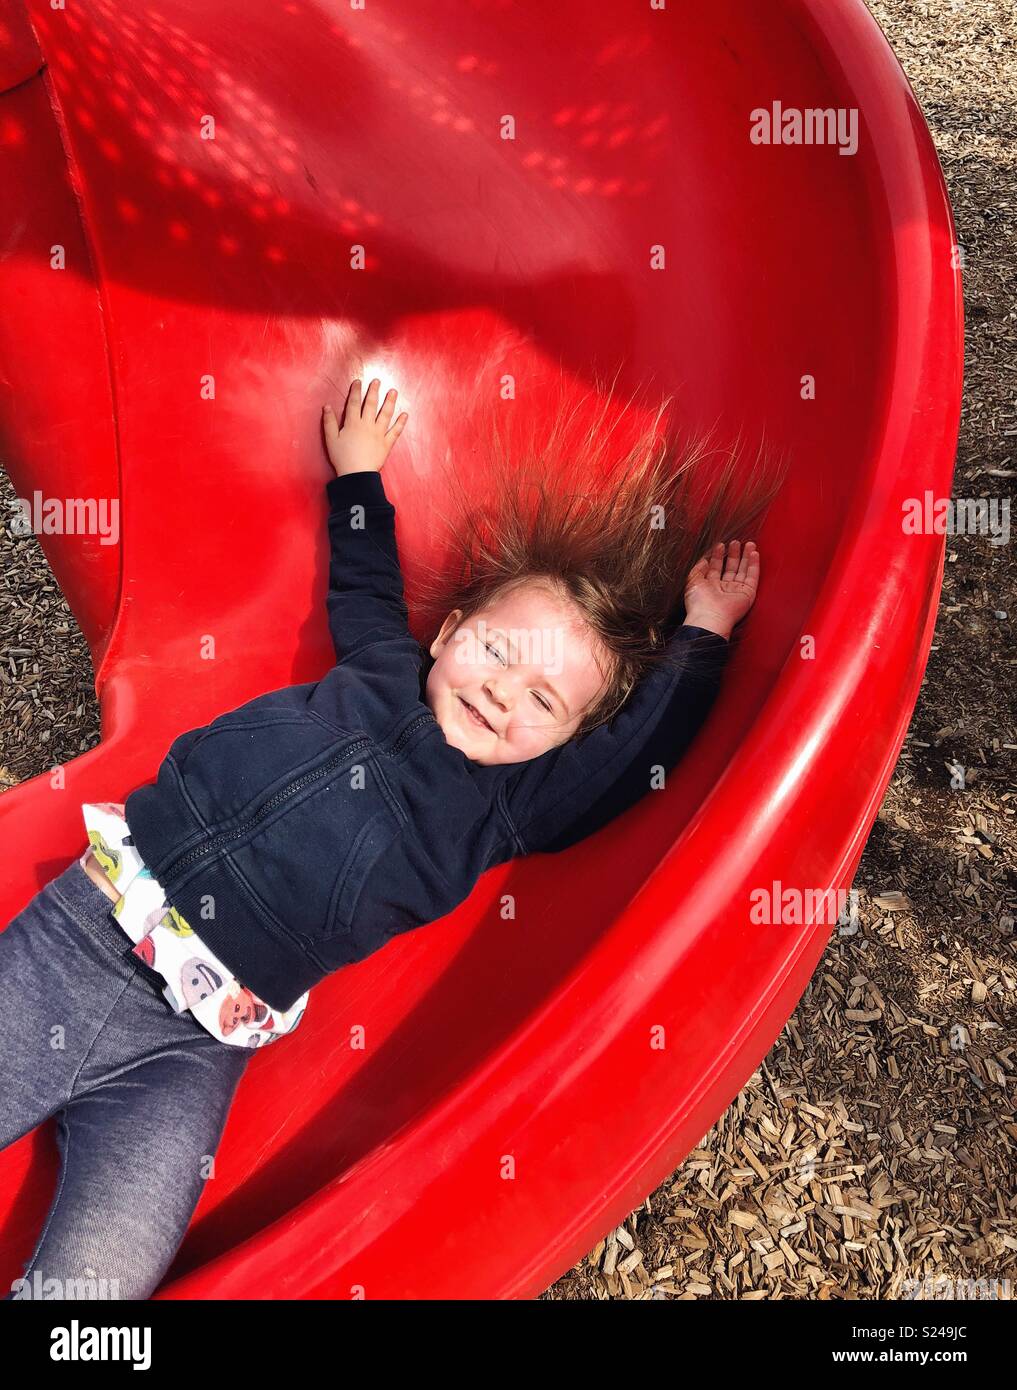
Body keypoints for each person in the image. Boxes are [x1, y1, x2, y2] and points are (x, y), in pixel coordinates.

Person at [1, 375, 781, 1299]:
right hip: (91, 938)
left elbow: (633, 752)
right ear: (449, 633)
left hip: (198, 1048)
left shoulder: (507, 810)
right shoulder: (379, 660)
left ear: (563, 743)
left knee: (102, 1288)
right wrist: (359, 473)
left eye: (542, 701)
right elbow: (365, 579)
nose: (502, 692)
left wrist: (705, 630)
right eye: (497, 653)